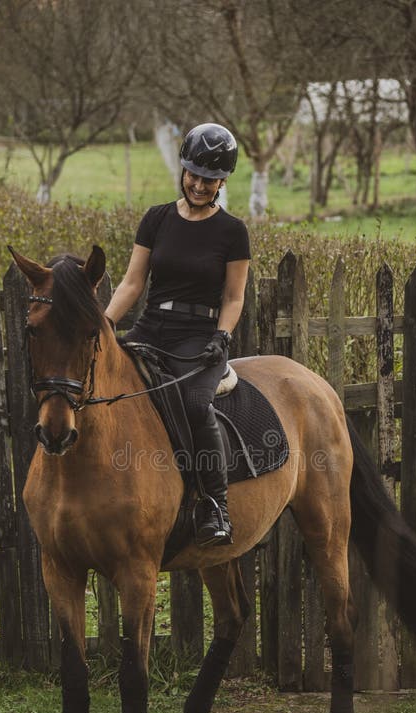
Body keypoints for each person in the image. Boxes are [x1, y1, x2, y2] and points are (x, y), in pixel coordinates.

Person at [105, 123, 251, 547]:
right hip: (151, 327)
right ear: (183, 171)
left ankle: (215, 505)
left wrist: (222, 336)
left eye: (209, 179)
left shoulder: (232, 231)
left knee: (194, 402)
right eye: (193, 174)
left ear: (223, 181)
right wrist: (106, 323)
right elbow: (132, 283)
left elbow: (233, 295)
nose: (199, 184)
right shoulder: (156, 218)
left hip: (198, 337)